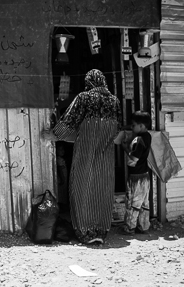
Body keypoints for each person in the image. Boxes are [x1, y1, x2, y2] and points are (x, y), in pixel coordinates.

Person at [43, 69, 121, 244]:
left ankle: (85, 231)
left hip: (85, 151)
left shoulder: (83, 98)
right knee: (102, 189)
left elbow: (69, 120)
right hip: (105, 155)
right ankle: (101, 230)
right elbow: (117, 131)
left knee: (81, 188)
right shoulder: (114, 102)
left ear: (88, 83)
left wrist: (55, 135)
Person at [121, 111, 152, 235]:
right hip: (145, 175)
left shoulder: (138, 140)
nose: (132, 128)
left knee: (132, 204)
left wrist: (125, 147)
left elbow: (132, 161)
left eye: (133, 125)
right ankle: (143, 227)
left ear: (141, 125)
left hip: (136, 177)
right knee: (144, 204)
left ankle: (129, 228)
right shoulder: (148, 136)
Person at [56, 144, 68, 208]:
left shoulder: (61, 159)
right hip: (62, 178)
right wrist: (62, 179)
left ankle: (62, 205)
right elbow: (60, 169)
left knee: (63, 192)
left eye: (63, 149)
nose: (62, 151)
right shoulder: (58, 159)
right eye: (60, 150)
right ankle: (61, 206)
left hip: (64, 178)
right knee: (61, 193)